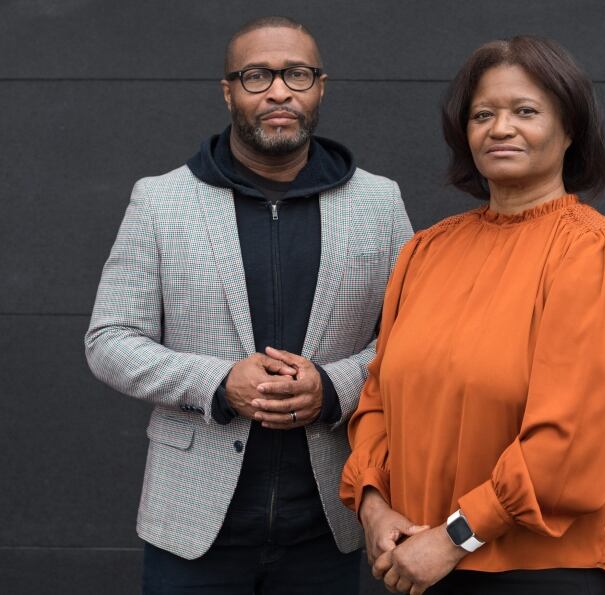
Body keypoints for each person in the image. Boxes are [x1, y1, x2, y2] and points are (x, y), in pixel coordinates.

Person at [85, 15, 412, 595]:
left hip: (329, 522)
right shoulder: (160, 200)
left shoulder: (379, 202)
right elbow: (109, 340)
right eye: (257, 75)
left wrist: (334, 386)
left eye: (297, 74)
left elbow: (411, 341)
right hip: (190, 525)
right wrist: (217, 382)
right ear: (229, 91)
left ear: (321, 87)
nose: (279, 90)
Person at [340, 35, 605, 594]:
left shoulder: (593, 253)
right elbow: (377, 397)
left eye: (525, 111)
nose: (500, 128)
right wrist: (373, 506)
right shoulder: (426, 251)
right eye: (483, 114)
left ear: (570, 129)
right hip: (412, 562)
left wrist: (454, 537)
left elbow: (571, 443)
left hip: (540, 571)